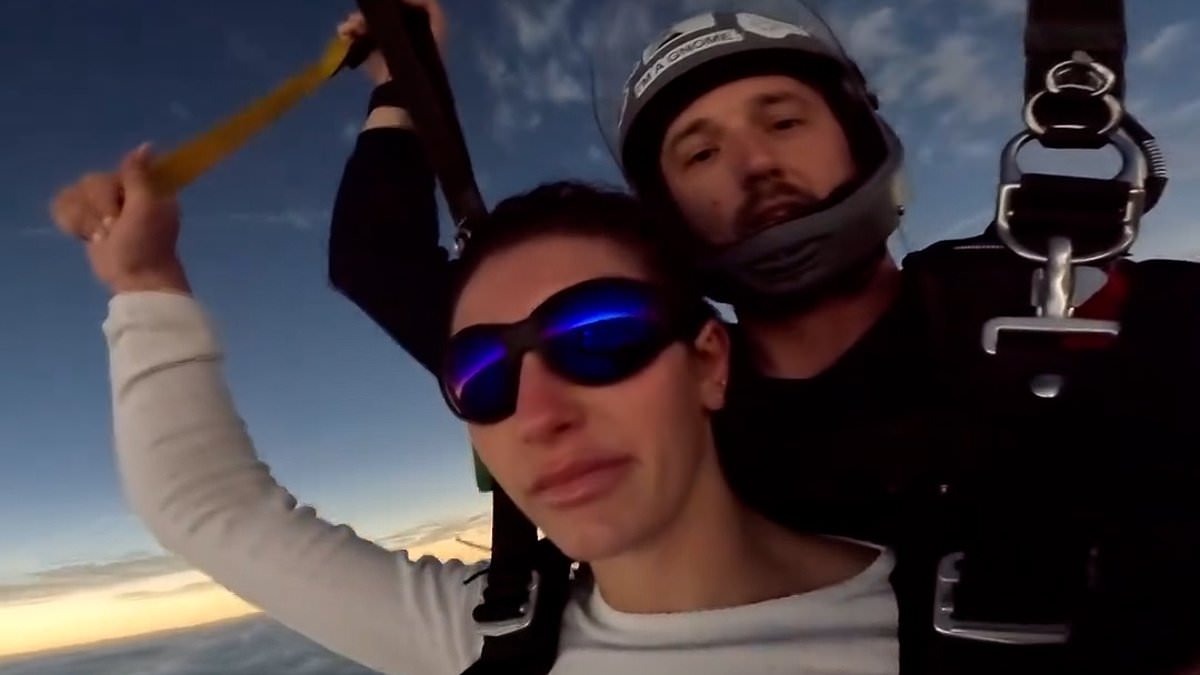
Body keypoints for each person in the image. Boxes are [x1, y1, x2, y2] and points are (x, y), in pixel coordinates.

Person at [328, 2, 1200, 673]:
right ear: (668, 211)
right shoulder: (643, 380)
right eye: (698, 154)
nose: (752, 164)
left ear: (859, 138)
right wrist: (405, 83)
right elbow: (379, 263)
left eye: (783, 121)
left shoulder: (1066, 316)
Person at [50, 146, 900, 675]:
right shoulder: (492, 637)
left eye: (597, 335)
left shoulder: (982, 622)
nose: (538, 412)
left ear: (708, 362)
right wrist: (145, 280)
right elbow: (203, 503)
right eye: (484, 374)